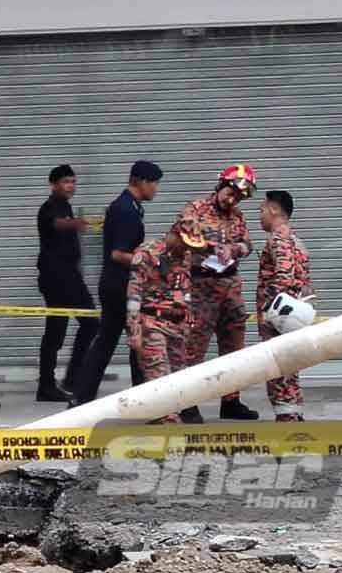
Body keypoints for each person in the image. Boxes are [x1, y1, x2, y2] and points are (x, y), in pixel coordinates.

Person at [69, 160, 163, 406]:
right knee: (137, 340)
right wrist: (151, 262)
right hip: (122, 287)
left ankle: (82, 396)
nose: (156, 189)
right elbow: (118, 254)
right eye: (154, 183)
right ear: (141, 181)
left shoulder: (129, 206)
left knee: (106, 342)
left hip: (114, 285)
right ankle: (143, 400)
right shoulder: (126, 210)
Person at [179, 164, 260, 424]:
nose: (232, 199)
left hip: (230, 286)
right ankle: (187, 403)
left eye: (238, 196)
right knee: (194, 348)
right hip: (201, 287)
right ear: (220, 185)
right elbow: (184, 240)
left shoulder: (237, 216)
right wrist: (214, 247)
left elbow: (248, 245)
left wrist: (234, 249)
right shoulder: (196, 209)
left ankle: (231, 401)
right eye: (230, 192)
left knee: (234, 347)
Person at [127, 217, 207, 423]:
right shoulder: (147, 254)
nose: (188, 249)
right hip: (152, 324)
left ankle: (162, 423)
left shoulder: (185, 256)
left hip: (177, 326)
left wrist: (188, 321)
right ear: (174, 235)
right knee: (160, 380)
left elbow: (185, 288)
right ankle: (168, 426)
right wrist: (134, 330)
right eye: (186, 243)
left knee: (177, 383)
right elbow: (134, 294)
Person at [35, 164, 98, 402]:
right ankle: (47, 385)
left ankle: (72, 377)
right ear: (53, 184)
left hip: (70, 277)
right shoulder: (48, 208)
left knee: (91, 323)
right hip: (56, 279)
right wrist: (78, 223)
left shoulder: (67, 207)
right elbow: (55, 224)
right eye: (65, 181)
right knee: (56, 332)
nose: (70, 186)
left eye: (73, 181)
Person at [257, 190, 312, 421]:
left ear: (274, 210)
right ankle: (294, 414)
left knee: (278, 367)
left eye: (261, 210)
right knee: (290, 367)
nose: (260, 216)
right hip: (292, 314)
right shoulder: (294, 238)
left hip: (280, 316)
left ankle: (287, 421)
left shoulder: (278, 238)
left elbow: (284, 275)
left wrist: (269, 310)